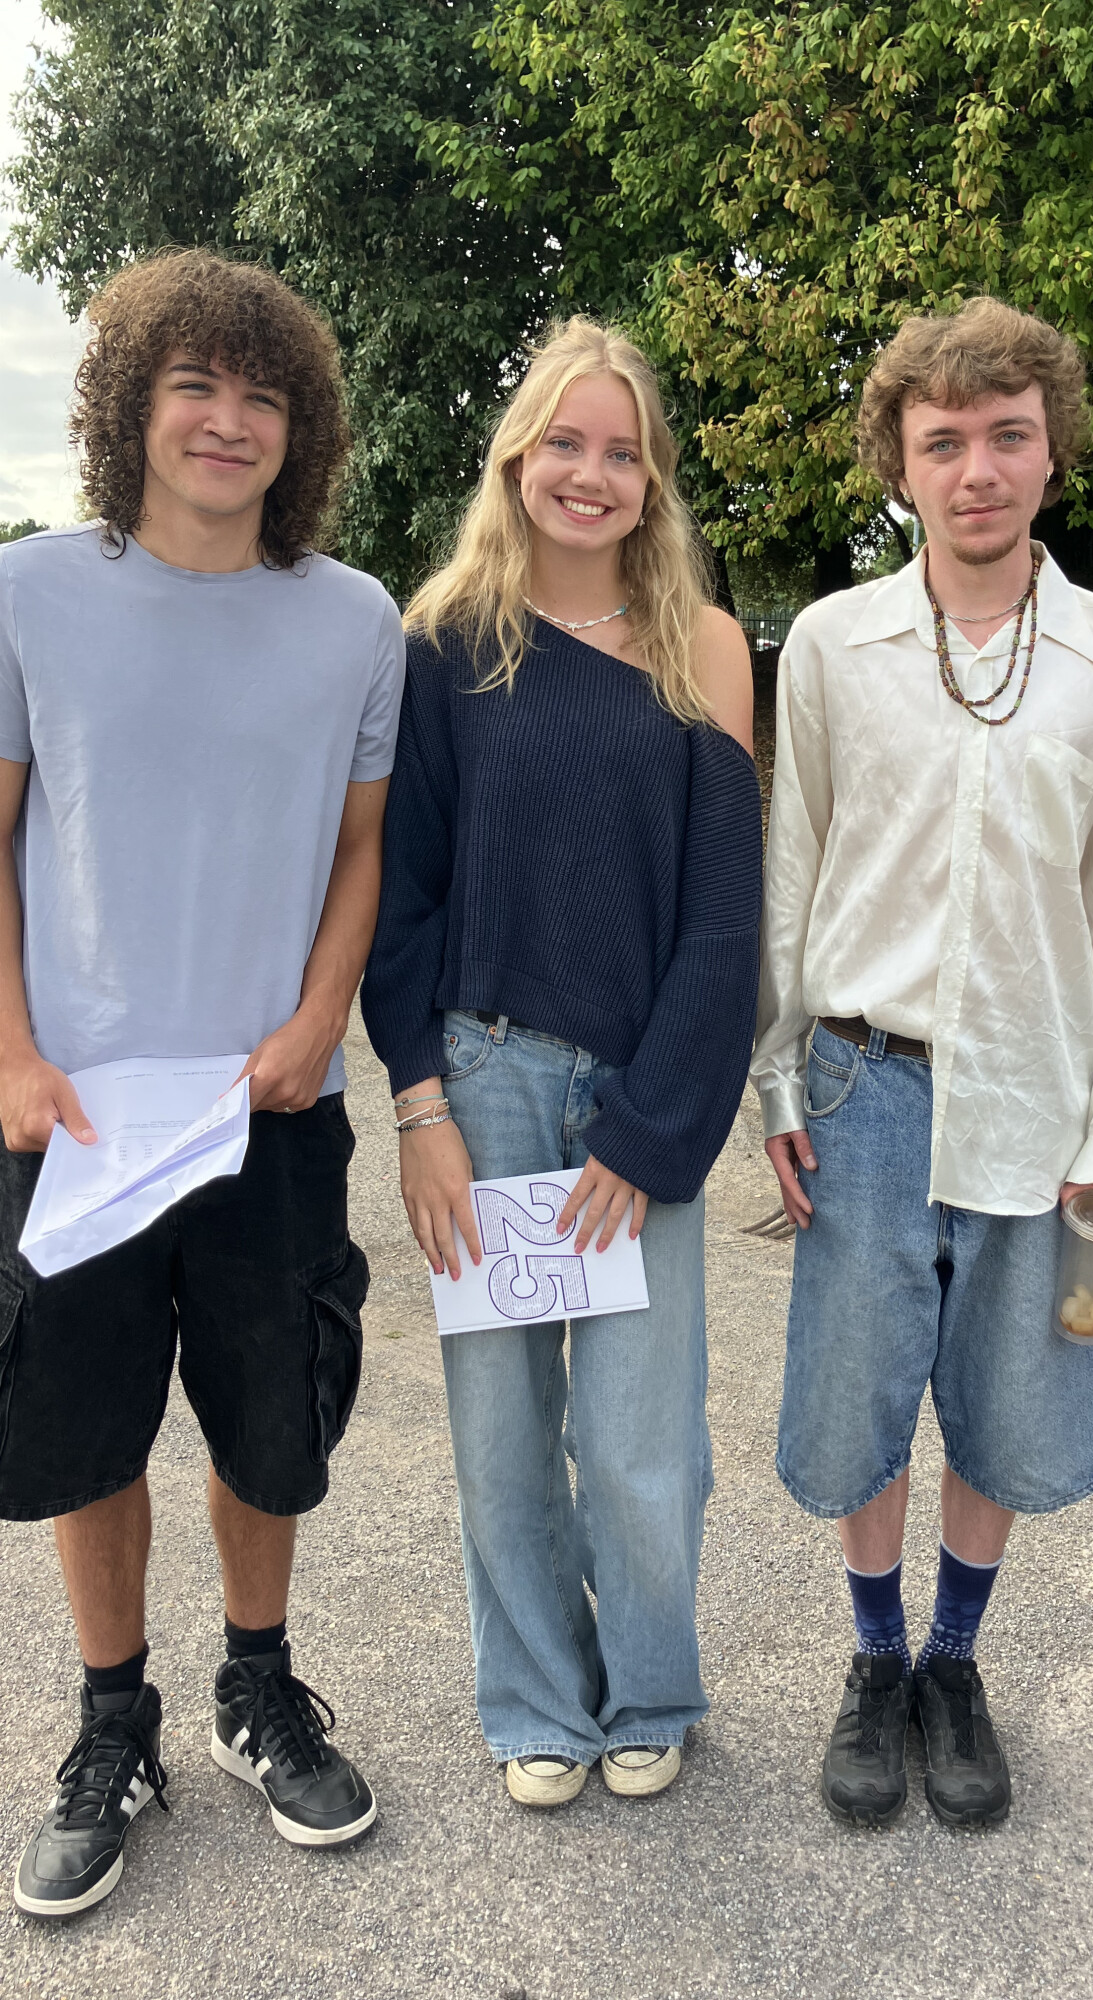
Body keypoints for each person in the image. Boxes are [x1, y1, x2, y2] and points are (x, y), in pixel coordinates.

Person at [2, 250, 404, 1917]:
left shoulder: (356, 619)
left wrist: (320, 1022)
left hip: (269, 1108)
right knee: (86, 1433)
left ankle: (258, 1685)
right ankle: (116, 1725)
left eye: (263, 395)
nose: (229, 420)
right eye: (195, 385)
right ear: (130, 405)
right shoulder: (30, 593)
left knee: (267, 1422)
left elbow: (362, 852)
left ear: (301, 427)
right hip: (80, 1120)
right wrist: (12, 1054)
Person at [753, 298, 1093, 1828]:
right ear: (902, 464)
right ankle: (876, 1659)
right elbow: (793, 871)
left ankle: (954, 1660)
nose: (978, 469)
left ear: (1052, 453)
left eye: (1008, 435)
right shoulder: (833, 646)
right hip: (862, 1084)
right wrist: (775, 1076)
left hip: (1046, 1099)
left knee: (1013, 1397)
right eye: (943, 441)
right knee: (860, 1397)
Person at [362, 317, 761, 1809]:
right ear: (517, 457)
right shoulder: (445, 645)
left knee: (644, 1434)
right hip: (487, 1084)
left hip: (645, 1088)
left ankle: (651, 1688)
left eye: (623, 452)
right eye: (565, 444)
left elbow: (724, 920)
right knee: (504, 1429)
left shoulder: (703, 648)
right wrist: (420, 1108)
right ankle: (535, 1699)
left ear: (653, 480)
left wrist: (653, 1129)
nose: (591, 475)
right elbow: (401, 901)